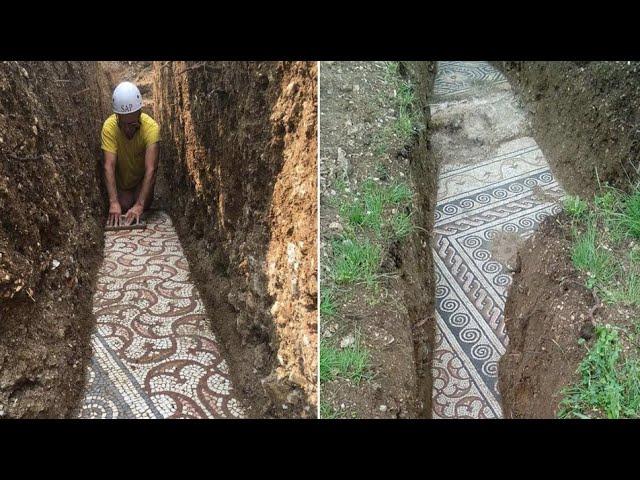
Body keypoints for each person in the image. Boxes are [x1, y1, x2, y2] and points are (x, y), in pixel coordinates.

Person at [101, 81, 160, 227]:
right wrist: (113, 202)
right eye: (123, 125)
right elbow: (109, 166)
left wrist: (140, 204)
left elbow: (151, 169)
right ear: (117, 117)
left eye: (133, 125)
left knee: (140, 204)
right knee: (125, 204)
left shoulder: (151, 128)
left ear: (140, 113)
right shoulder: (109, 128)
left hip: (141, 185)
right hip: (123, 187)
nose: (128, 130)